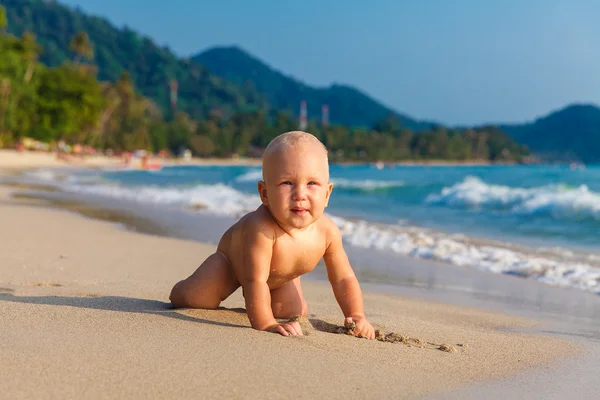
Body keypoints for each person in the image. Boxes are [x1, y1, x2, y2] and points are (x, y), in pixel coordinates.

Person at [169, 131, 375, 339]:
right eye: (287, 183)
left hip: (279, 277)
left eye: (312, 183)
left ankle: (290, 283)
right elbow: (254, 281)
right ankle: (182, 288)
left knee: (292, 312)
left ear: (327, 193)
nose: (300, 194)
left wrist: (356, 314)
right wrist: (266, 323)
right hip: (231, 265)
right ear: (264, 193)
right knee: (196, 299)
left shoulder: (328, 232)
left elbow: (343, 278)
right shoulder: (262, 229)